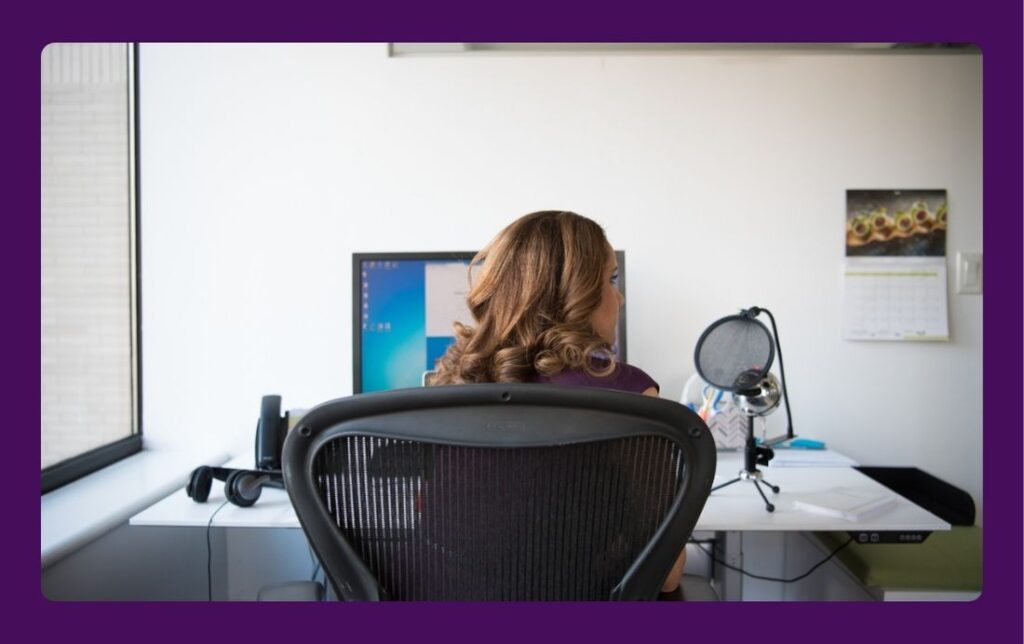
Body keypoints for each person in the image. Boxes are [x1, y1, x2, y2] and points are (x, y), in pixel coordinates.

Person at [431, 210, 686, 594]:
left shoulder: (449, 388)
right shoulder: (629, 397)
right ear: (576, 293)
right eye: (610, 279)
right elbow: (666, 576)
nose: (620, 297)